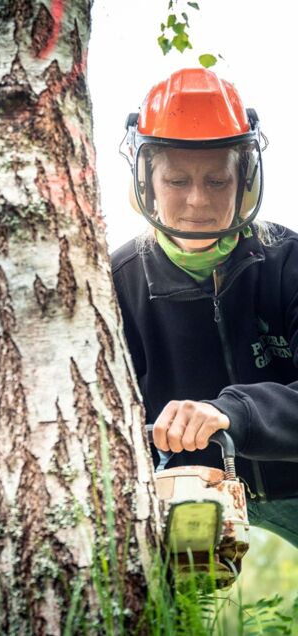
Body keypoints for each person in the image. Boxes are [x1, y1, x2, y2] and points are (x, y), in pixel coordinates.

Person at [112, 67, 298, 547]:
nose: (198, 200)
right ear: (147, 183)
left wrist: (232, 412)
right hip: (183, 491)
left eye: (217, 181)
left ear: (245, 182)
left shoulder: (289, 262)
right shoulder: (115, 284)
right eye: (177, 180)